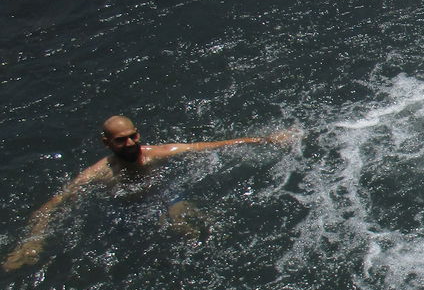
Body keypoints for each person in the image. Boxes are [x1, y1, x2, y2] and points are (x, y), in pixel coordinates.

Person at [3, 115, 298, 270]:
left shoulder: (157, 154)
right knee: (153, 244)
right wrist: (32, 241)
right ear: (107, 143)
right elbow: (54, 204)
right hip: (126, 208)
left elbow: (209, 146)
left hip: (164, 193)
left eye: (133, 136)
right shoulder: (98, 174)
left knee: (191, 229)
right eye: (121, 140)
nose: (130, 143)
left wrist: (265, 140)